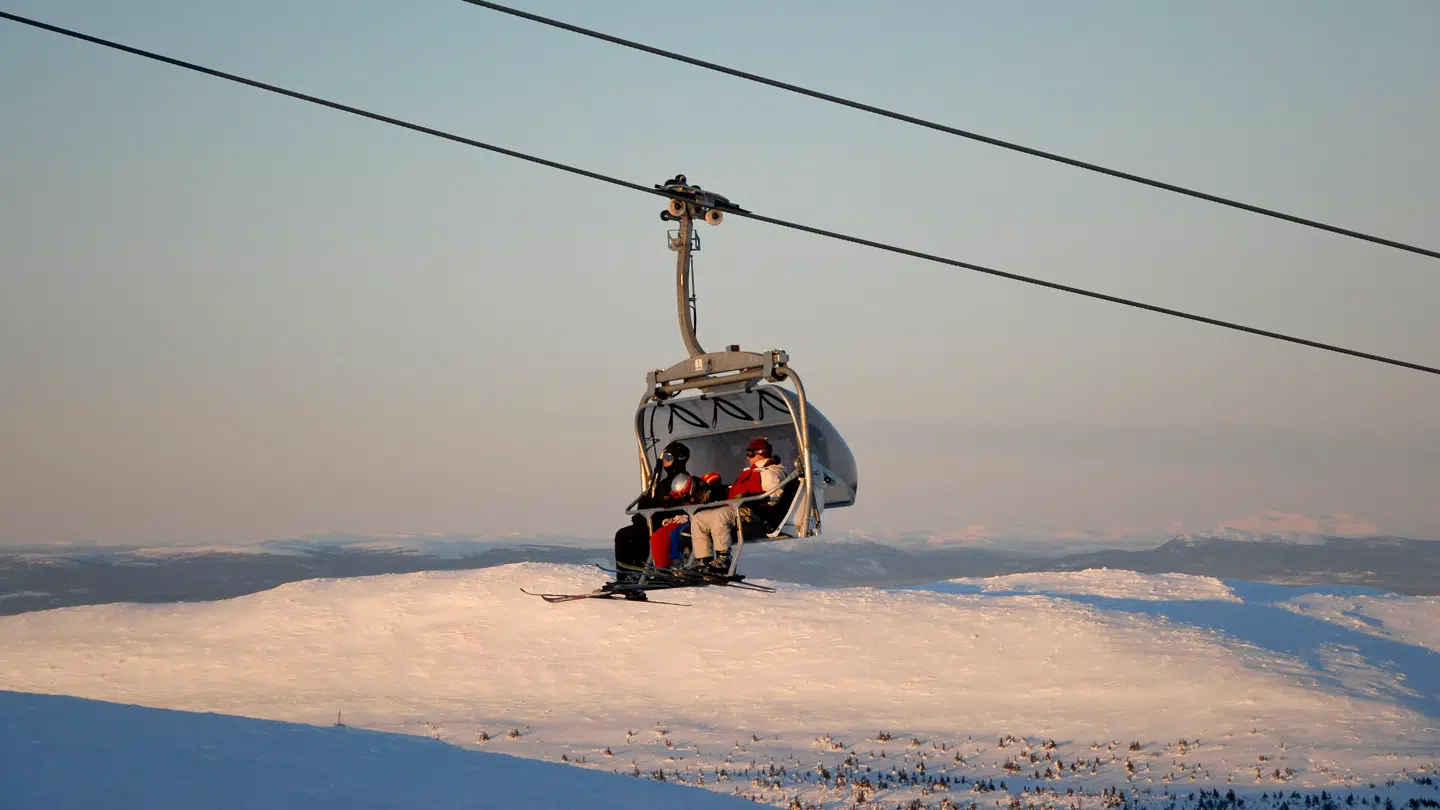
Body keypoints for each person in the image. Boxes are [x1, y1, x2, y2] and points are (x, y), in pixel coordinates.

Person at [687, 437, 787, 574]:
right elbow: (734, 491)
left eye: (750, 454)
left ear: (760, 453)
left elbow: (773, 498)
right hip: (737, 506)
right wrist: (716, 493)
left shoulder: (771, 473)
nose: (747, 457)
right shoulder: (750, 472)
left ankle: (724, 559)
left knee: (720, 516)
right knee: (698, 518)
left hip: (754, 511)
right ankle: (703, 560)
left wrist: (749, 499)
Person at [612, 441, 693, 586]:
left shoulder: (683, 481)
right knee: (623, 534)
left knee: (639, 535)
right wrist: (646, 502)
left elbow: (685, 502)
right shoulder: (662, 483)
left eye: (669, 458)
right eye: (664, 459)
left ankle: (642, 571)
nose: (665, 462)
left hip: (668, 521)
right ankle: (626, 575)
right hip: (654, 520)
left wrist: (667, 505)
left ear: (679, 459)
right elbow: (655, 502)